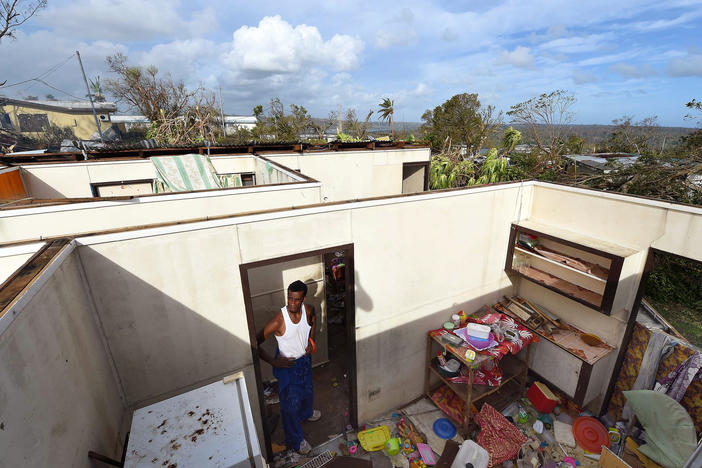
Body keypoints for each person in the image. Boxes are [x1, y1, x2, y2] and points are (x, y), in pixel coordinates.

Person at [257, 280, 321, 454]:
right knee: (289, 406)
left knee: (307, 392)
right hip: (288, 366)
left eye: (297, 300)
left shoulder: (308, 310)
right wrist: (273, 361)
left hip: (304, 362)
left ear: (303, 299)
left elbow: (313, 320)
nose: (292, 303)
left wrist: (311, 340)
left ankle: (306, 413)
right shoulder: (279, 319)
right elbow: (255, 342)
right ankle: (295, 439)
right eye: (290, 299)